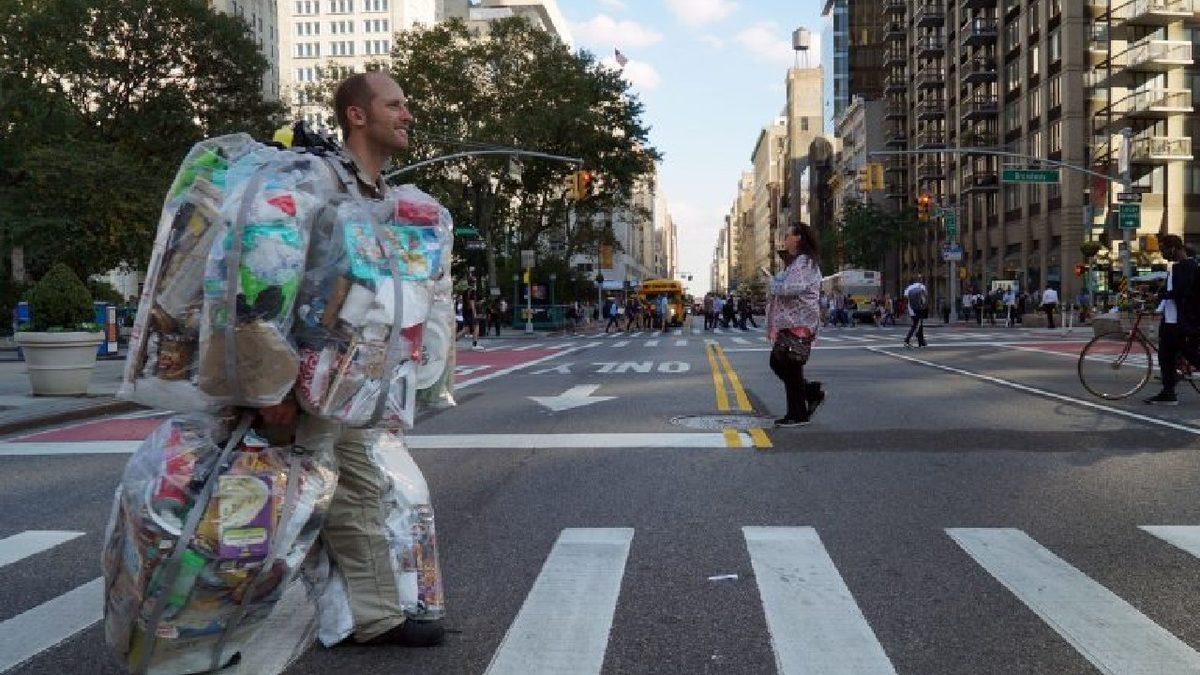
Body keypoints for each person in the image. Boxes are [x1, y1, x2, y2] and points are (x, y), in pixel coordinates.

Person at [257, 72, 444, 648]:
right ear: (357, 116)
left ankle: (374, 617)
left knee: (357, 490)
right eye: (395, 105)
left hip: (353, 382)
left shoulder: (381, 194)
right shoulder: (320, 181)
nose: (407, 115)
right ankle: (216, 608)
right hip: (307, 377)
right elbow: (275, 277)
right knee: (296, 504)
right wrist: (275, 387)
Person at [766, 222, 824, 427]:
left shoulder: (804, 262)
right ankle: (808, 396)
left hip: (799, 320)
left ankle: (798, 414)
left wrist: (773, 283)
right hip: (790, 321)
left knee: (788, 366)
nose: (785, 239)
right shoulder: (797, 262)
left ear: (798, 238)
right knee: (783, 365)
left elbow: (792, 288)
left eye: (788, 235)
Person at [1146, 235, 1200, 405]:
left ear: (1174, 248)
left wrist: (1161, 295)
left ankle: (1168, 391)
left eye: (1163, 249)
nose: (1162, 253)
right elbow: (1171, 292)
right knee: (1165, 357)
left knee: (1192, 356)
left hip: (1182, 322)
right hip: (1170, 321)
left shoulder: (1188, 266)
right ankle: (1168, 392)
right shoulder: (1175, 267)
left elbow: (1183, 293)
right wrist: (1157, 304)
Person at [903, 277, 929, 348]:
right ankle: (907, 340)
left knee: (917, 324)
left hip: (911, 308)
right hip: (919, 308)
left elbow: (905, 297)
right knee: (917, 325)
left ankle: (921, 341)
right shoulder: (922, 287)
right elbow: (924, 298)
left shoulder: (909, 288)